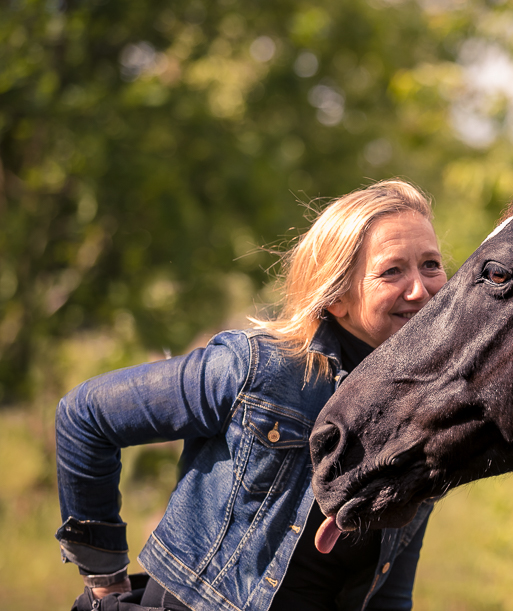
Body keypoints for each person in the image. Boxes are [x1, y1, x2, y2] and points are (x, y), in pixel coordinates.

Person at [55, 180, 448, 611]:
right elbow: (85, 415)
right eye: (392, 271)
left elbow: (388, 590)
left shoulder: (430, 417)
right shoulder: (258, 370)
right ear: (337, 296)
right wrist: (105, 579)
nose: (420, 290)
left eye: (431, 265)